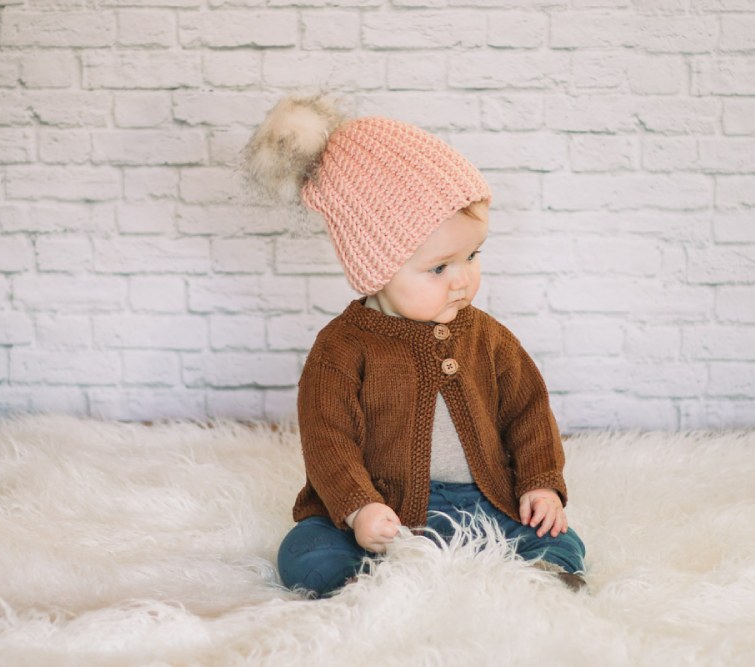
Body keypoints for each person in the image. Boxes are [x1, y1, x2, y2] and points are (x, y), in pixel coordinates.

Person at [243, 94, 586, 597]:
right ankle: (363, 584)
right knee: (305, 551)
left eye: (473, 254)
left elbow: (528, 413)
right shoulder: (342, 348)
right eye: (440, 267)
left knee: (558, 538)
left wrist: (539, 483)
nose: (463, 279)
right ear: (375, 266)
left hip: (484, 500)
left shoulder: (487, 337)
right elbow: (328, 440)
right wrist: (360, 508)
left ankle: (542, 579)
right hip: (385, 510)